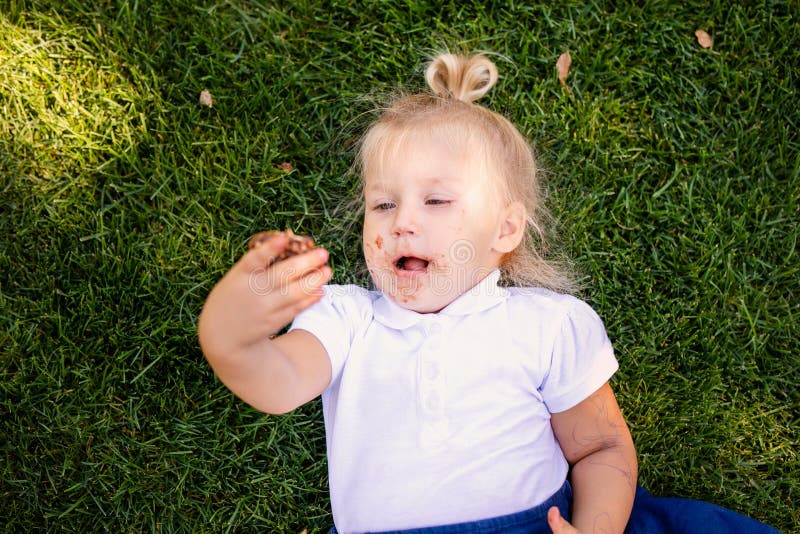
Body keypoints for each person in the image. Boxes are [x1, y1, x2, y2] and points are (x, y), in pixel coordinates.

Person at [198, 53, 778, 534]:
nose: (400, 222)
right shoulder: (347, 320)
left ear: (506, 229)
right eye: (383, 203)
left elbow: (600, 449)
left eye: (437, 201)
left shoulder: (547, 325)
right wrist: (230, 333)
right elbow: (275, 383)